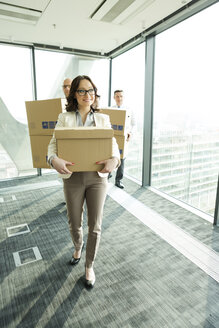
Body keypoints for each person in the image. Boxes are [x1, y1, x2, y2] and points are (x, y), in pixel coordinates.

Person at [48, 75, 120, 288]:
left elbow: (113, 145)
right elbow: (52, 146)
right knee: (74, 222)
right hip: (72, 177)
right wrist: (53, 159)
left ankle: (89, 265)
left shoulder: (103, 119)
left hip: (97, 177)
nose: (87, 95)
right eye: (82, 91)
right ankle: (78, 246)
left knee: (95, 225)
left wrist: (114, 160)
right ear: (74, 94)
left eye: (91, 91)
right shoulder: (64, 118)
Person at [110, 89, 136, 189]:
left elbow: (134, 124)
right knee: (110, 156)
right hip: (113, 138)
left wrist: (130, 133)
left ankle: (118, 180)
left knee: (122, 159)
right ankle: (107, 175)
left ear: (123, 98)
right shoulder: (111, 110)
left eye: (121, 96)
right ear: (114, 98)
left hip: (124, 138)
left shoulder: (129, 110)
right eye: (117, 96)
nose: (119, 98)